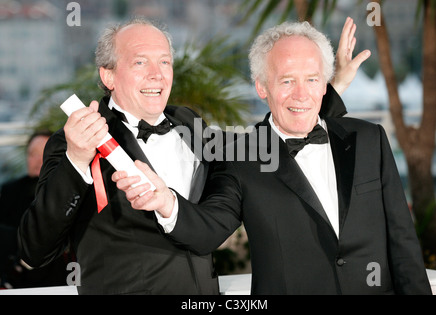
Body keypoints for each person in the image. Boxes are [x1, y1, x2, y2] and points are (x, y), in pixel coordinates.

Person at [18, 17, 362, 295]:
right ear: (108, 75)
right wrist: (78, 159)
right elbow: (34, 249)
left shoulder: (188, 122)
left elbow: (258, 146)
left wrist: (326, 93)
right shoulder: (74, 142)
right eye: (140, 62)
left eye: (164, 61)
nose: (157, 73)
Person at [113, 21, 432, 295]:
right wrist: (166, 202)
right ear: (262, 87)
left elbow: (403, 243)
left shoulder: (369, 139)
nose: (301, 94)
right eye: (287, 81)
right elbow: (208, 230)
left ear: (324, 84)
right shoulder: (241, 157)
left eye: (311, 79)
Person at [0, 130, 69, 289]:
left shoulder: (66, 191)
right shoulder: (9, 191)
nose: (38, 160)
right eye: (32, 154)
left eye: (44, 154)